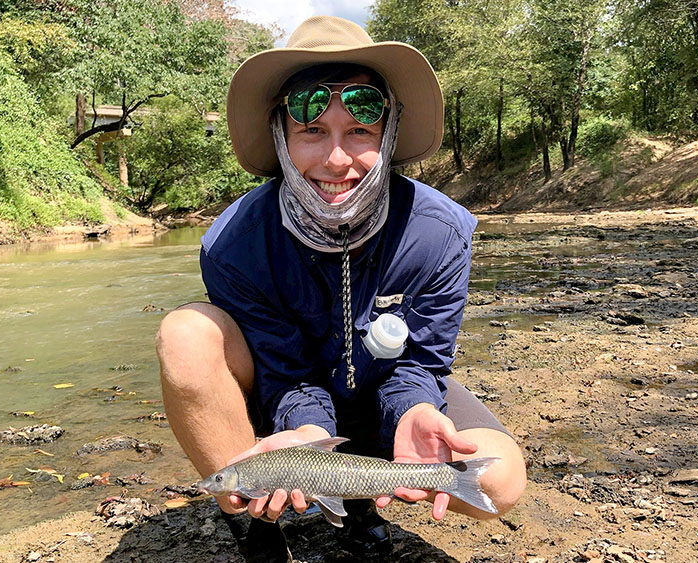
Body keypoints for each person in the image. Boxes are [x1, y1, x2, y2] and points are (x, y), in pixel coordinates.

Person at [157, 15, 526, 562]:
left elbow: (421, 363)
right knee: (185, 334)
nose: (336, 160)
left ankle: (359, 504)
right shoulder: (234, 243)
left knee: (501, 481)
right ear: (281, 137)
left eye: (359, 131)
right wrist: (307, 431)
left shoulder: (440, 232)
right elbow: (284, 372)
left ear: (388, 135)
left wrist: (415, 413)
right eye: (312, 132)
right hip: (286, 411)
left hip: (387, 400)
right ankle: (251, 515)